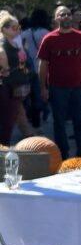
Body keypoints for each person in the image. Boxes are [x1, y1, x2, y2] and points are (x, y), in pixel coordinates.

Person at [37, 6, 81, 160]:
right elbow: (43, 65)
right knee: (59, 122)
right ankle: (62, 155)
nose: (67, 17)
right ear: (56, 19)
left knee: (80, 122)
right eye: (62, 15)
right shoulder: (49, 39)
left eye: (69, 14)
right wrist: (43, 87)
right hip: (57, 88)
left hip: (78, 87)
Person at [0, 13, 28, 146]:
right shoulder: (3, 44)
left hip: (16, 87)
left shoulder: (15, 42)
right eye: (13, 27)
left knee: (9, 123)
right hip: (7, 88)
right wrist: (5, 68)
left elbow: (22, 64)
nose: (17, 30)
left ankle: (3, 151)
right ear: (3, 29)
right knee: (6, 123)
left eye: (18, 27)